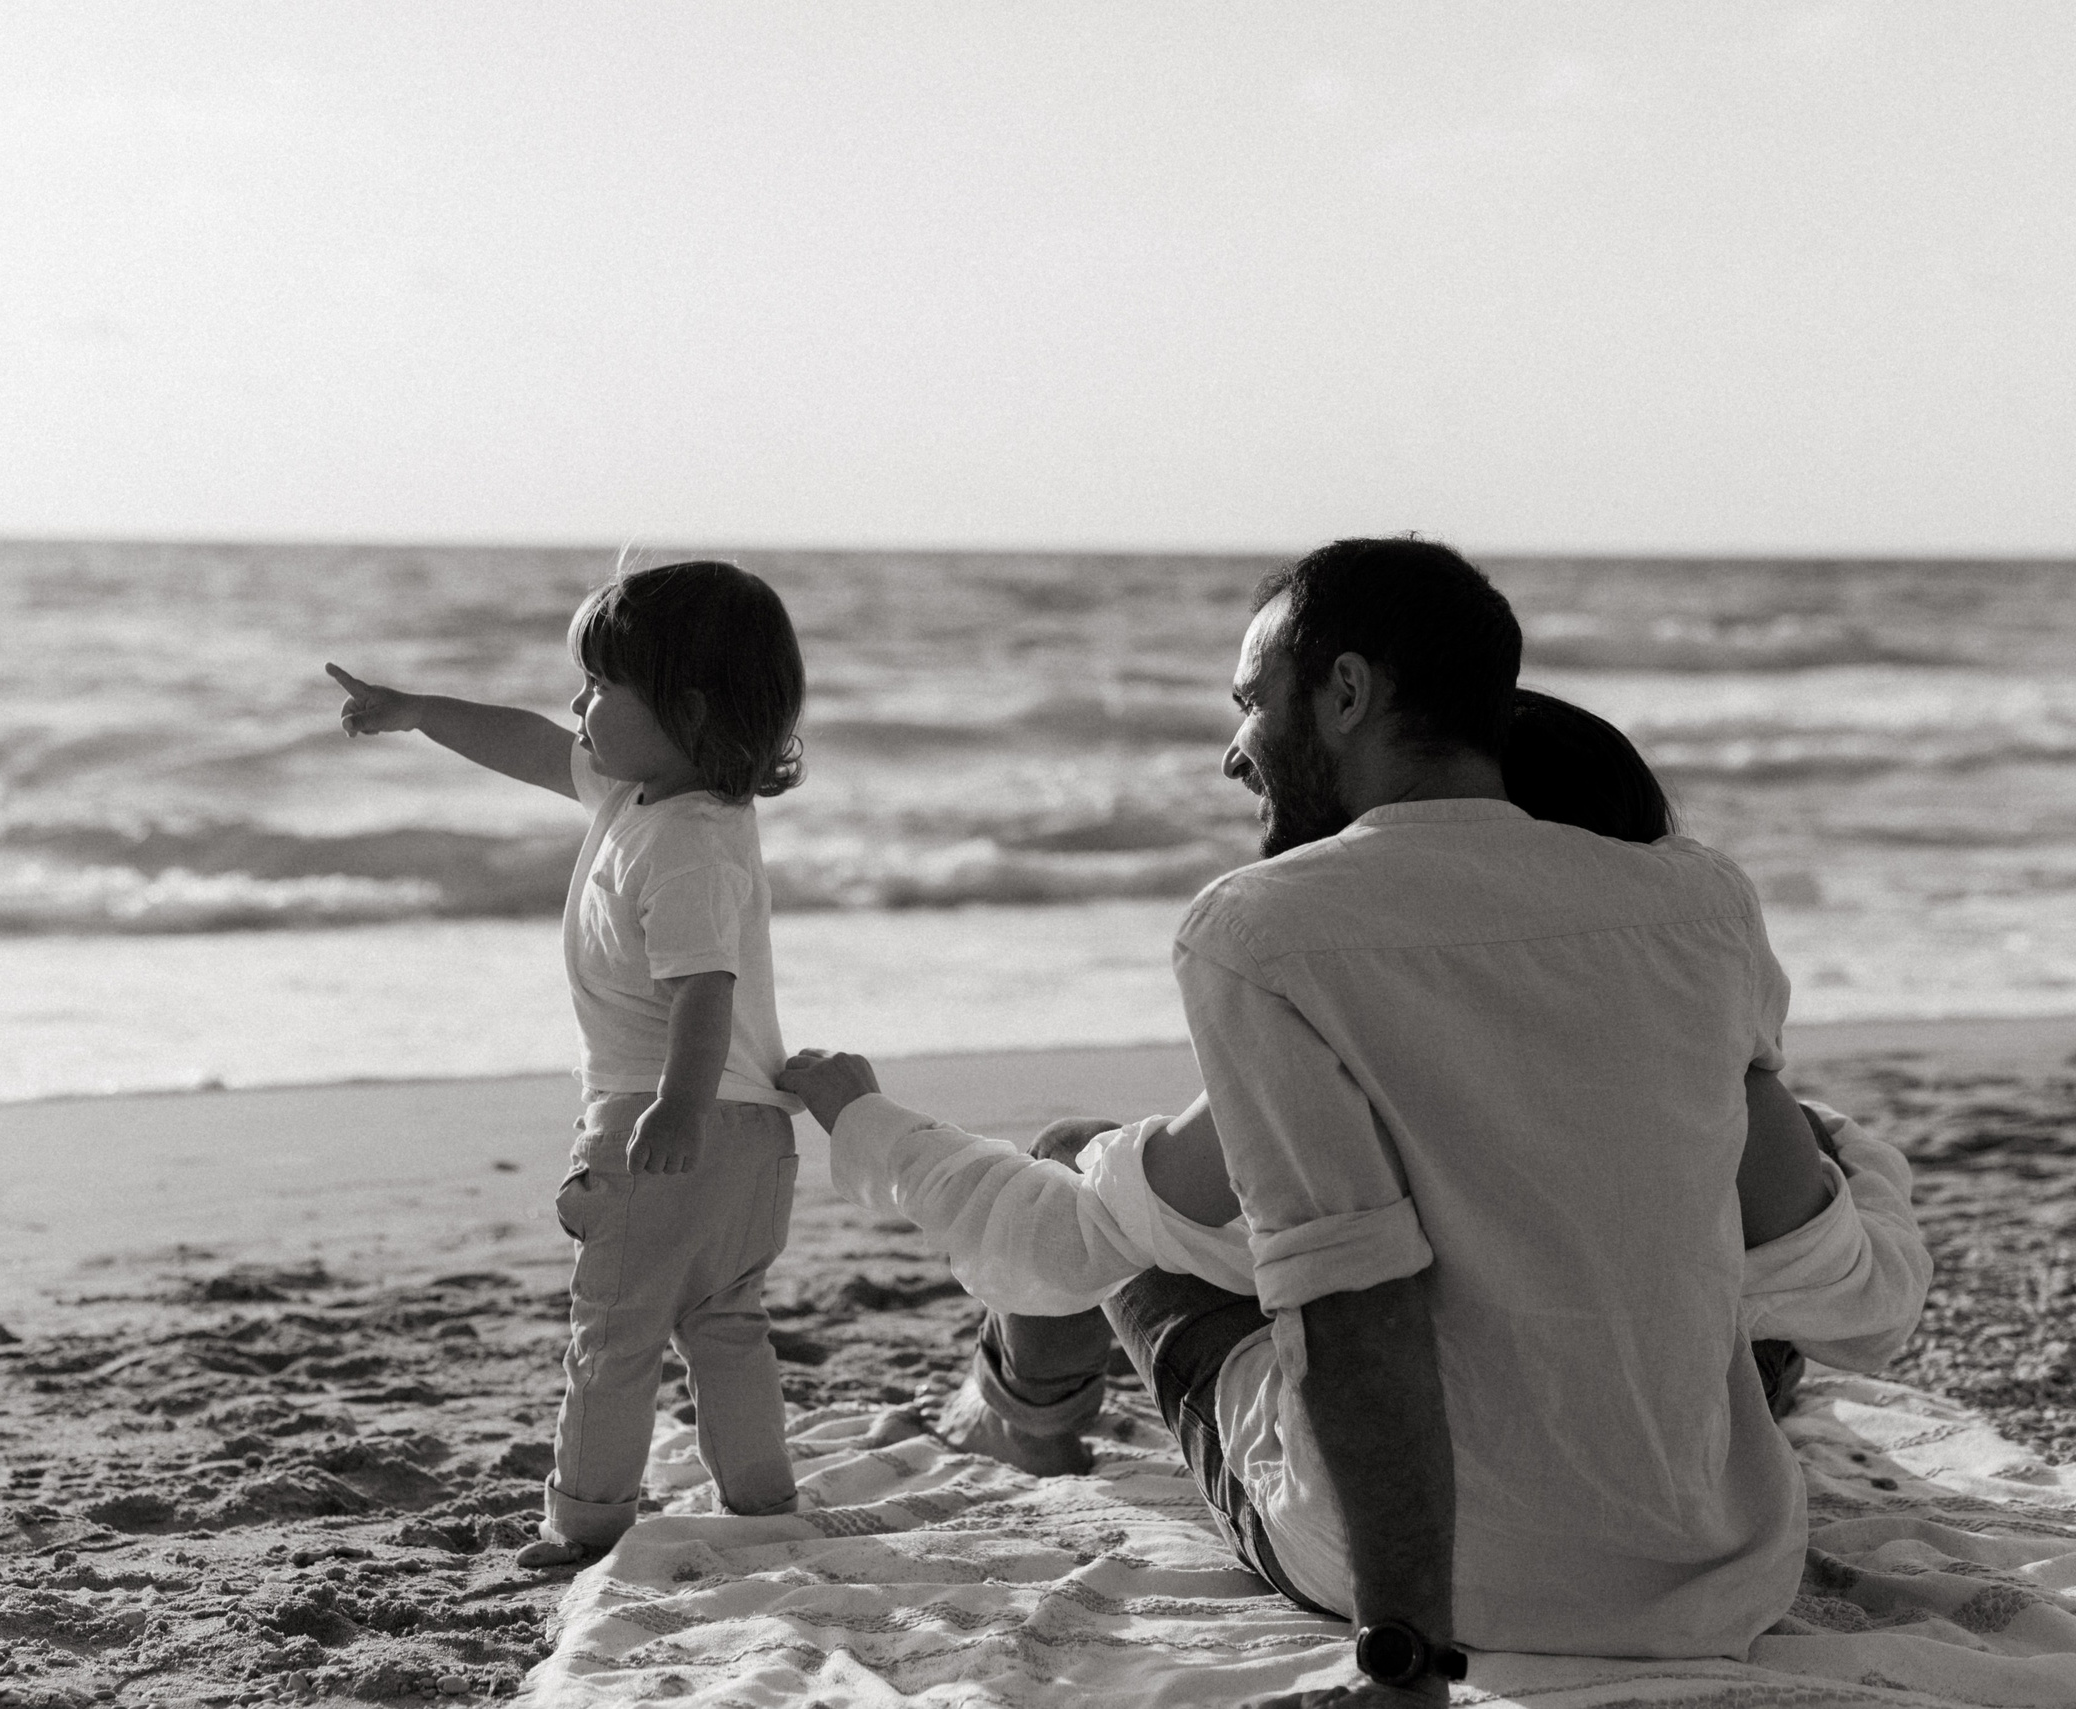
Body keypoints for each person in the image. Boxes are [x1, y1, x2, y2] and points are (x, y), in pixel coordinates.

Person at [779, 540, 1929, 1705]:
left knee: (1105, 1183)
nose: (1235, 747)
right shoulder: (1702, 902)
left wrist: (1404, 1662)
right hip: (1716, 1574)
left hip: (1419, 1581)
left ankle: (1025, 1417)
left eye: (1249, 701)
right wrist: (1863, 1164)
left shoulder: (1264, 930)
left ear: (1342, 691)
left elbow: (1352, 1298)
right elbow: (1813, 1240)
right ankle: (1025, 1400)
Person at [330, 558, 811, 1570]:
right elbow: (530, 744)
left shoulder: (678, 843)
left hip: (664, 1117)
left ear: (681, 708)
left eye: (599, 687)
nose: (577, 704)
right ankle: (762, 1500)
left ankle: (586, 1520)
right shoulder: (657, 791)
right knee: (724, 1321)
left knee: (615, 1332)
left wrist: (673, 1111)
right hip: (752, 1127)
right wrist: (416, 709)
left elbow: (702, 992)